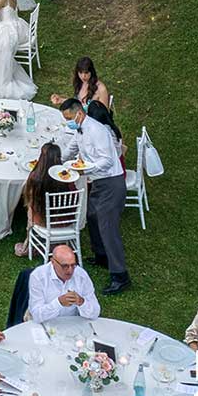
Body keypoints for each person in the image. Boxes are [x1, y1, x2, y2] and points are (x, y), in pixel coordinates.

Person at [59, 96, 131, 293]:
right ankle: (101, 255)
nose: (68, 123)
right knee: (92, 215)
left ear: (79, 114)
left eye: (69, 119)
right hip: (98, 182)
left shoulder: (97, 131)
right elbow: (73, 148)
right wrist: (57, 159)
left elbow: (107, 160)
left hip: (111, 182)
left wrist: (85, 170)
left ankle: (120, 275)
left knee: (109, 229)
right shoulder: (80, 130)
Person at [12, 143, 71, 257]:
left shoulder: (35, 178)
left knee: (31, 206)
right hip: (65, 219)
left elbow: (30, 202)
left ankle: (29, 244)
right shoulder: (67, 177)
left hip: (42, 221)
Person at [24, 242, 100, 324]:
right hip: (45, 324)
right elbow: (36, 316)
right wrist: (58, 303)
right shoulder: (38, 277)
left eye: (73, 265)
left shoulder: (81, 275)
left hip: (72, 325)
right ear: (53, 262)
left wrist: (81, 302)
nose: (70, 270)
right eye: (65, 266)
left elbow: (95, 313)